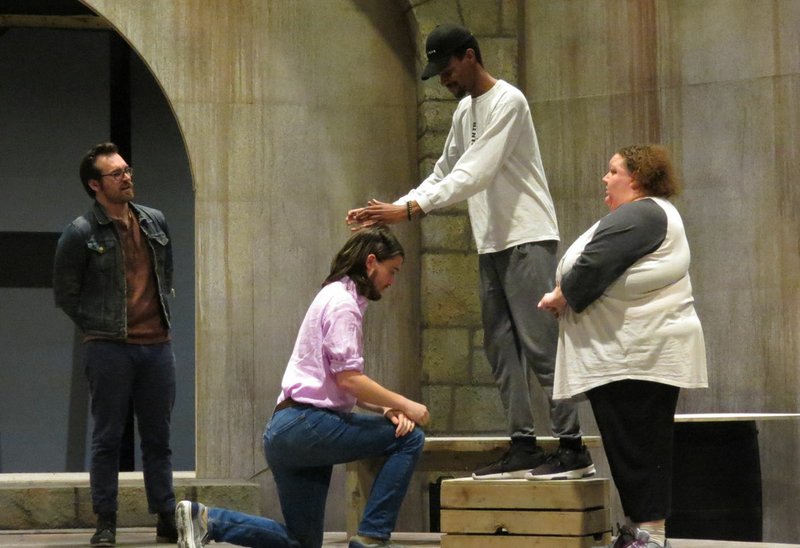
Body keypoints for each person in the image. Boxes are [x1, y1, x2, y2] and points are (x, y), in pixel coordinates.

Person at [346, 23, 592, 480]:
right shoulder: (465, 112)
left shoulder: (509, 102)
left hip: (527, 235)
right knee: (500, 347)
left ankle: (572, 445)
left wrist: (413, 209)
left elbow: (476, 171)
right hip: (492, 241)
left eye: (447, 68)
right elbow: (445, 170)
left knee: (540, 345)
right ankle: (524, 443)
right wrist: (396, 207)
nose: (444, 79)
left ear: (471, 56)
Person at [176, 227, 430, 548]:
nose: (392, 281)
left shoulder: (332, 294)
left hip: (287, 431)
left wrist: (384, 407)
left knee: (302, 542)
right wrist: (407, 406)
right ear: (370, 262)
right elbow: (349, 379)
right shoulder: (344, 306)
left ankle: (208, 520)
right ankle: (372, 536)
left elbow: (341, 383)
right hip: (309, 425)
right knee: (409, 438)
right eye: (391, 271)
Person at [538, 145, 708, 548]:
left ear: (637, 177)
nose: (605, 178)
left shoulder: (645, 212)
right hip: (629, 356)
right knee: (632, 446)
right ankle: (643, 530)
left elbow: (596, 263)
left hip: (637, 356)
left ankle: (649, 536)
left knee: (638, 447)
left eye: (612, 171)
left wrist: (562, 294)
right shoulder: (648, 215)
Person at [53, 142, 178, 545]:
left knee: (158, 437)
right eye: (116, 173)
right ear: (95, 185)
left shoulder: (154, 221)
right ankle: (106, 520)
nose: (126, 177)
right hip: (108, 347)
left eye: (126, 169)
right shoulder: (81, 232)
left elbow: (166, 273)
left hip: (157, 345)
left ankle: (164, 515)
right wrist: (100, 326)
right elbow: (66, 294)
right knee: (107, 437)